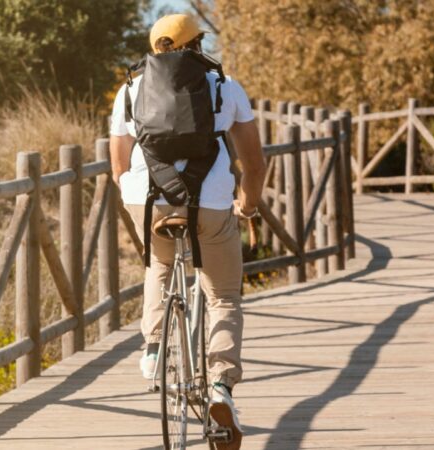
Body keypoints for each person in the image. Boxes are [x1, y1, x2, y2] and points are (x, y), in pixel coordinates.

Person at [109, 13, 265, 449]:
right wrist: (247, 206)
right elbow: (254, 162)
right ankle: (220, 387)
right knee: (222, 295)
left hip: (147, 200)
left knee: (159, 261)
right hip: (211, 203)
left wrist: (135, 194)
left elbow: (119, 166)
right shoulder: (225, 86)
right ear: (198, 44)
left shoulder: (128, 90)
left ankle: (154, 349)